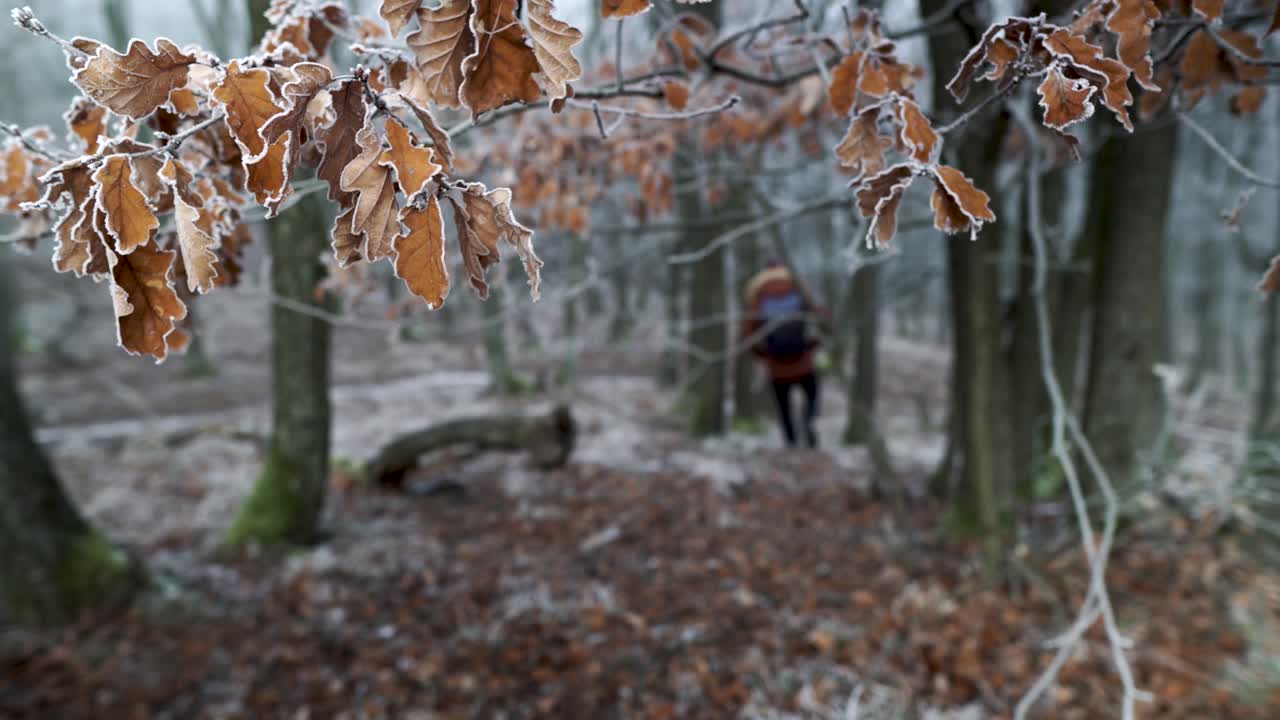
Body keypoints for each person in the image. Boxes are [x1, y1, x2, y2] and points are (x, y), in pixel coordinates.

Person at [742, 259, 826, 448]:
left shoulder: (757, 292)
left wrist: (763, 355)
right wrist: (812, 345)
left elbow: (748, 332)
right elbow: (821, 318)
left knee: (783, 407)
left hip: (776, 365)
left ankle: (791, 443)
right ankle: (809, 427)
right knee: (811, 398)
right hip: (804, 360)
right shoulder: (797, 285)